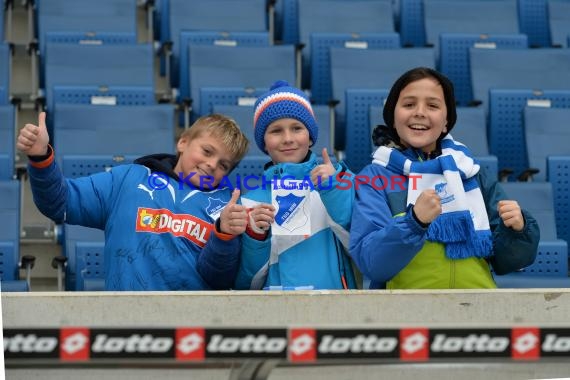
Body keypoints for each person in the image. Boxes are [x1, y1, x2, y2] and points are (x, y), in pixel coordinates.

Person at [349, 67, 539, 289]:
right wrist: (414, 223)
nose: (420, 112)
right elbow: (372, 264)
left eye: (433, 105)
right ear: (393, 116)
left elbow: (507, 261)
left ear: (446, 121)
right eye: (409, 104)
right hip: (405, 316)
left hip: (477, 312)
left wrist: (517, 231)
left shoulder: (471, 172)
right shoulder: (375, 177)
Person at [17, 112, 250, 291]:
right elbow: (61, 202)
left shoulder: (227, 209)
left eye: (224, 165)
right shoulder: (128, 179)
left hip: (191, 331)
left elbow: (220, 279)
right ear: (183, 142)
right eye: (207, 151)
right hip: (124, 322)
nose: (212, 164)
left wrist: (223, 236)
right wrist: (41, 157)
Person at [234, 80, 358, 290]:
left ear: (310, 137)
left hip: (335, 311)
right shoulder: (250, 202)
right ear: (264, 142)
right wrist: (256, 237)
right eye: (276, 131)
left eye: (297, 128)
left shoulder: (341, 181)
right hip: (278, 316)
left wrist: (333, 188)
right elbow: (246, 284)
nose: (288, 138)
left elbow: (360, 250)